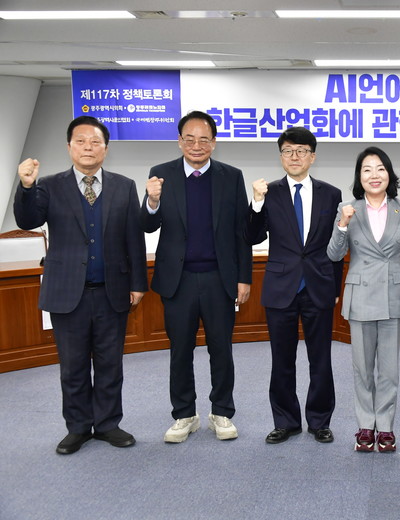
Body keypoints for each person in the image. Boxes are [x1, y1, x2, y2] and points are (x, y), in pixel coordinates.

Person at [14, 116, 147, 454]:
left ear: (106, 148)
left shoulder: (124, 185)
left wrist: (138, 283)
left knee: (110, 364)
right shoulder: (48, 185)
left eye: (95, 142)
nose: (88, 147)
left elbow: (133, 237)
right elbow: (28, 220)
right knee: (72, 366)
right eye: (81, 141)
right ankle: (77, 428)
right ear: (69, 147)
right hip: (66, 292)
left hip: (111, 291)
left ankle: (108, 424)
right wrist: (26, 187)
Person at [141, 111, 252, 443]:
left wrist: (244, 277)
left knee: (222, 349)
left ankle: (222, 412)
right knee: (180, 350)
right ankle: (184, 414)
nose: (196, 145)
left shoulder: (231, 176)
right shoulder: (161, 174)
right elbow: (147, 225)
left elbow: (241, 232)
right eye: (189, 139)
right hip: (179, 280)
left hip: (219, 278)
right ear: (179, 141)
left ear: (214, 143)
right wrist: (152, 200)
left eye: (204, 139)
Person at [246, 126, 343, 445]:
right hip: (281, 287)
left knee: (321, 360)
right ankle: (285, 422)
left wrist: (336, 287)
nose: (295, 156)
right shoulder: (268, 192)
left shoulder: (331, 194)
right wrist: (256, 203)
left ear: (312, 157)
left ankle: (320, 421)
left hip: (319, 286)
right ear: (281, 157)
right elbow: (252, 236)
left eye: (302, 151)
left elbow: (336, 246)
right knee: (281, 361)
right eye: (288, 151)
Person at [327, 146, 400, 452]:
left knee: (389, 369)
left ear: (389, 174)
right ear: (359, 177)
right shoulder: (348, 208)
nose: (374, 175)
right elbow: (334, 254)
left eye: (380, 168)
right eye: (367, 169)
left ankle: (386, 427)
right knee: (362, 368)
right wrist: (342, 225)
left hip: (393, 294)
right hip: (361, 296)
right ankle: (365, 426)